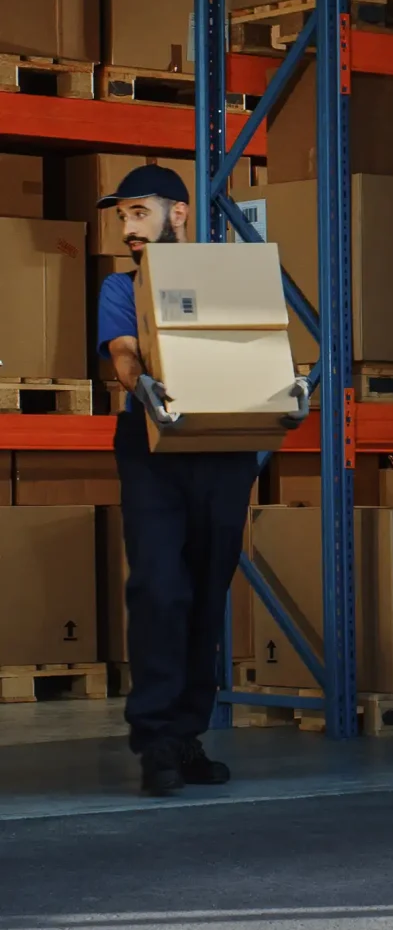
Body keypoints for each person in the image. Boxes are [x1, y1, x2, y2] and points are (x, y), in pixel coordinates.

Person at [94, 166, 265, 797]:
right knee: (160, 587)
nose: (128, 228)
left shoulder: (229, 280)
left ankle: (186, 734)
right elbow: (120, 352)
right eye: (123, 218)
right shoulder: (121, 287)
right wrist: (139, 379)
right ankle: (157, 740)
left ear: (180, 214)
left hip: (222, 446)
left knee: (204, 590)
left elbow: (256, 343)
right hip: (153, 444)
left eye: (139, 213)